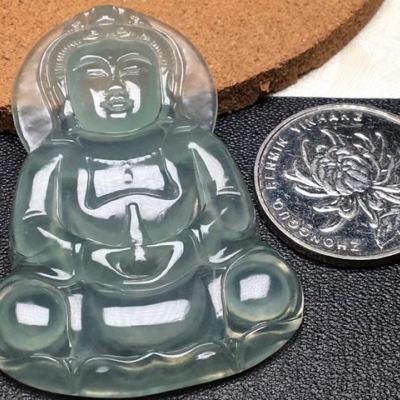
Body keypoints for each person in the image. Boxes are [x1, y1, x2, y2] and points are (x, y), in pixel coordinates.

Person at [0, 6, 303, 397]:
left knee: (263, 281)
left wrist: (187, 246)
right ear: (66, 94)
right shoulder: (53, 160)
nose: (115, 87)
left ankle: (100, 363)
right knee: (23, 312)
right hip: (90, 295)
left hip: (194, 279)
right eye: (94, 74)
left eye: (133, 70)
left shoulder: (192, 143)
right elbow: (34, 235)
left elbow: (231, 215)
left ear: (162, 85)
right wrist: (89, 258)